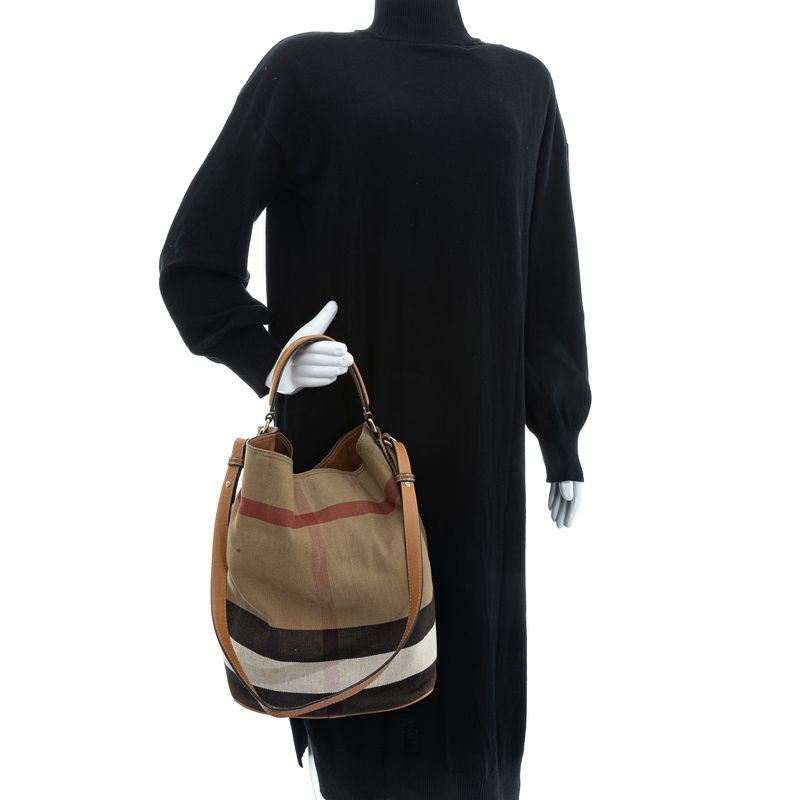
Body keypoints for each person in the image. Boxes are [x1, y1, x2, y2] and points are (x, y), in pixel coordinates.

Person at [158, 1, 591, 797]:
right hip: (343, 465)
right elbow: (192, 259)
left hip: (477, 474)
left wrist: (558, 431)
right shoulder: (305, 72)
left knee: (476, 741)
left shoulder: (523, 85)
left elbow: (548, 276)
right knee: (362, 703)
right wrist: (269, 357)